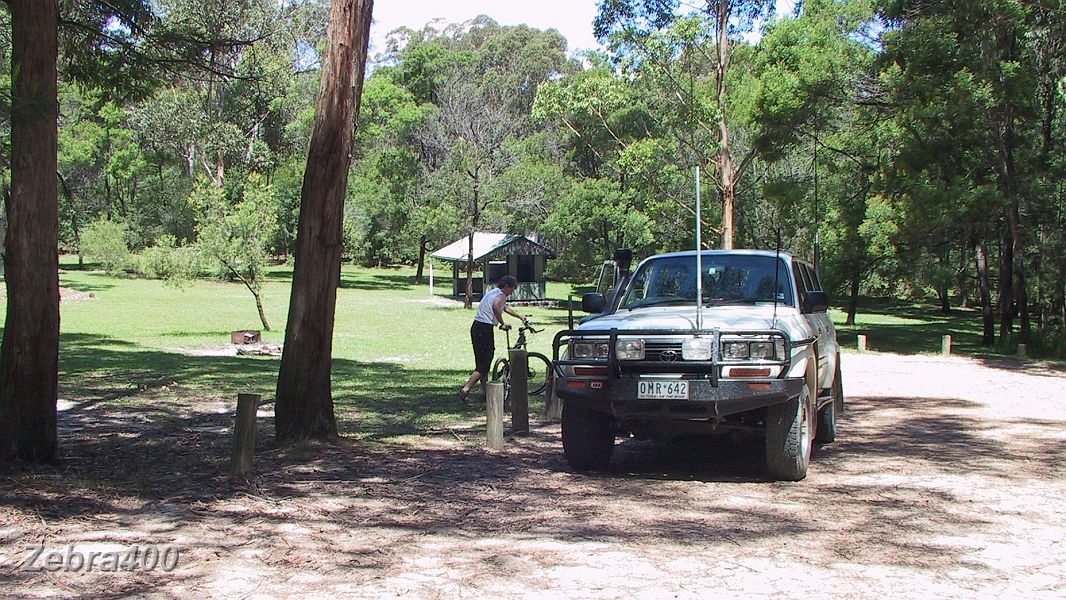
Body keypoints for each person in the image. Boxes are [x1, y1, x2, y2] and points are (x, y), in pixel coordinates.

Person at [459, 275, 527, 403]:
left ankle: (486, 394)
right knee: (485, 363)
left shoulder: (493, 293)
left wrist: (520, 317)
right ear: (506, 286)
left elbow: (504, 308)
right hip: (484, 329)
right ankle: (465, 390)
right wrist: (502, 323)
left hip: (477, 327)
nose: (512, 292)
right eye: (512, 289)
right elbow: (496, 307)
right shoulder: (500, 295)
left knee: (482, 362)